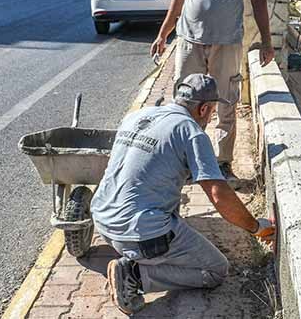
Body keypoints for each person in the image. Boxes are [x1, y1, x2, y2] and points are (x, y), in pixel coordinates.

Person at [92, 74, 276, 315]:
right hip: (139, 235)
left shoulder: (137, 116)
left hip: (103, 222)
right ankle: (134, 274)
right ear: (204, 109)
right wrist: (255, 227)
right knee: (216, 270)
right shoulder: (191, 132)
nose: (210, 119)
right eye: (212, 113)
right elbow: (218, 195)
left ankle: (142, 254)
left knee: (168, 206)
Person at [149, 0, 275, 184]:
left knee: (225, 101)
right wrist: (163, 33)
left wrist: (267, 41)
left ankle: (222, 163)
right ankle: (185, 161)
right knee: (184, 102)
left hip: (226, 41)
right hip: (189, 40)